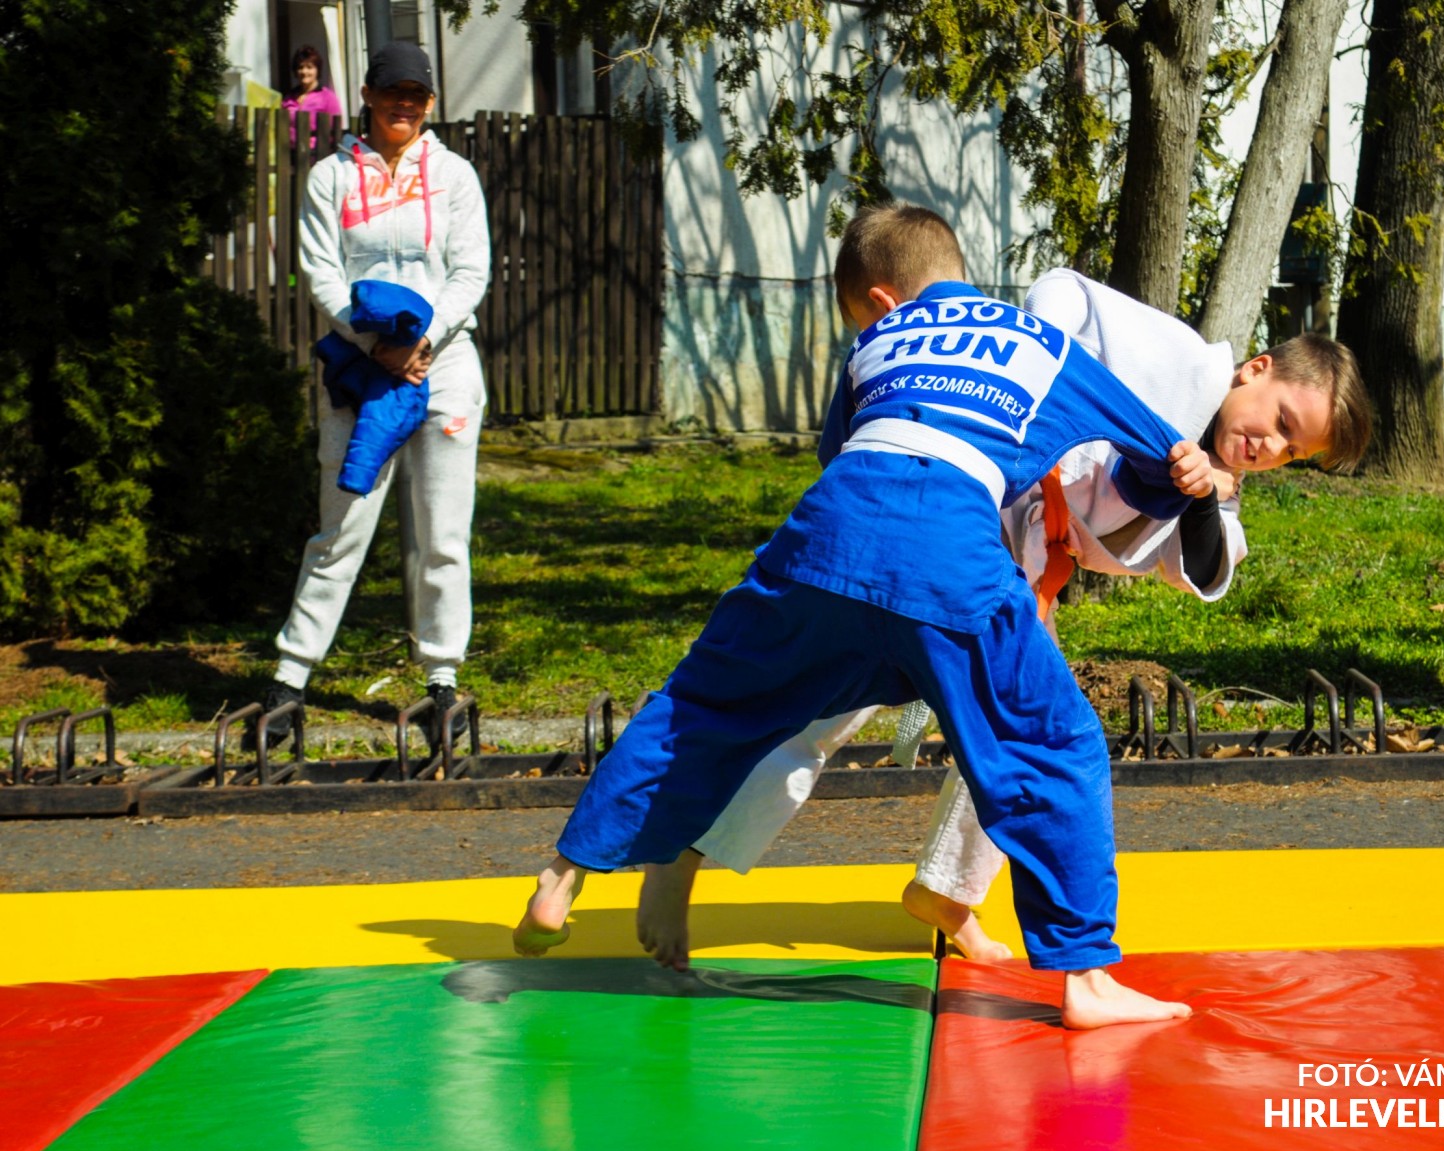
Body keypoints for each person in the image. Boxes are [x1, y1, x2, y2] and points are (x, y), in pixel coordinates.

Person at [514, 203, 1355, 1030]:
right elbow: (1077, 333)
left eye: (1293, 451)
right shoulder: (1124, 352)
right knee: (1042, 741)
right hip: (960, 552)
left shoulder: (878, 341)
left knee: (713, 701)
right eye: (1281, 421)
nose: (1271, 447)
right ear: (1253, 368)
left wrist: (1197, 487)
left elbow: (841, 451)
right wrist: (1170, 468)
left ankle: (581, 864)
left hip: (853, 539)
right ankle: (1081, 971)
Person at [259, 41, 489, 745]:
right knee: (341, 527)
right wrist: (374, 344)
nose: (404, 104)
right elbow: (320, 271)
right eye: (392, 92)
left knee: (443, 534)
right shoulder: (330, 176)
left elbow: (470, 271)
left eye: (416, 94)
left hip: (444, 366)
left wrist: (424, 341)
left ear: (431, 102)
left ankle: (442, 680)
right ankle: (289, 680)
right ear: (366, 95)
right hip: (360, 370)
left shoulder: (454, 175)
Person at [281, 44, 344, 147]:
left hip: (317, 152)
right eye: (300, 67)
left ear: (317, 70)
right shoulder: (288, 98)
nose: (304, 71)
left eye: (309, 67)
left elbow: (336, 129)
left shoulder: (328, 97)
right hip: (290, 152)